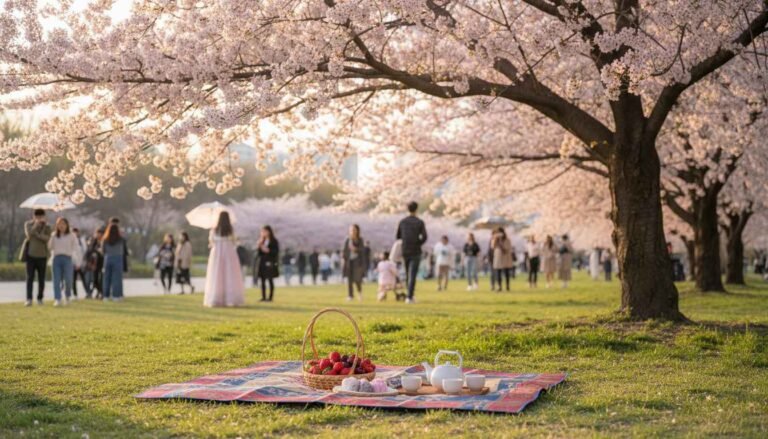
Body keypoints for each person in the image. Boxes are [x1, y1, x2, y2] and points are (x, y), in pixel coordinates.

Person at [203, 211, 245, 307]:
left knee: (217, 273)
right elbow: (234, 241)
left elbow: (211, 241)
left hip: (217, 252)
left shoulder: (214, 229)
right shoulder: (231, 229)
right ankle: (231, 298)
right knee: (230, 274)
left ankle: (216, 298)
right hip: (229, 251)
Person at [396, 201, 428, 304]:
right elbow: (425, 237)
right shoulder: (419, 222)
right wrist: (418, 242)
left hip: (405, 250)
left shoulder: (402, 222)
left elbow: (397, 236)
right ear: (416, 209)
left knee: (407, 273)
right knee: (413, 274)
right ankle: (410, 296)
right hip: (415, 251)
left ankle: (409, 295)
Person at [21, 209, 51, 306]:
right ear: (33, 216)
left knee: (41, 279)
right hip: (30, 255)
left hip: (42, 256)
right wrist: (36, 226)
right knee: (30, 278)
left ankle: (40, 298)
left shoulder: (47, 227)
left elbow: (46, 239)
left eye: (41, 217)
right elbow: (29, 235)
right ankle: (29, 298)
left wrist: (39, 233)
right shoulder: (28, 224)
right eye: (37, 217)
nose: (39, 219)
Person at [48, 217, 79, 307]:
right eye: (59, 224)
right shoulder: (54, 235)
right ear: (57, 225)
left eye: (63, 224)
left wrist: (77, 261)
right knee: (56, 280)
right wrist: (51, 238)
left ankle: (67, 296)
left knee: (68, 279)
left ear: (67, 225)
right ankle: (58, 299)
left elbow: (75, 247)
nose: (61, 226)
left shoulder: (72, 235)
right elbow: (50, 247)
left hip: (67, 259)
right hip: (56, 259)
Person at [101, 223, 127, 301]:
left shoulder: (105, 239)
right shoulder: (121, 239)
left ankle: (106, 296)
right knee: (117, 278)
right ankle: (116, 296)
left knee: (106, 278)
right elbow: (124, 249)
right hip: (118, 258)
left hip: (108, 258)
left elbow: (103, 250)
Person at [343, 224, 367, 301]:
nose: (352, 231)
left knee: (357, 279)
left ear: (357, 231)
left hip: (358, 262)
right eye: (351, 230)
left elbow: (362, 250)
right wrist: (344, 258)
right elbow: (344, 251)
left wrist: (355, 249)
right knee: (349, 279)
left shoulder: (360, 240)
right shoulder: (347, 240)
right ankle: (350, 295)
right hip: (349, 262)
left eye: (354, 230)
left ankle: (359, 293)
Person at [256, 225, 279, 302]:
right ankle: (263, 297)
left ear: (269, 231)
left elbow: (275, 252)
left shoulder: (274, 241)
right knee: (262, 280)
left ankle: (270, 297)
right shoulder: (262, 241)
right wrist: (259, 247)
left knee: (270, 279)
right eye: (262, 231)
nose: (263, 233)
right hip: (262, 262)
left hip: (270, 262)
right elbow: (259, 253)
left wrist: (268, 250)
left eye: (264, 231)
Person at [491, 228, 515, 292]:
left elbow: (507, 250)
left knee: (506, 272)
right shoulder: (495, 240)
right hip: (498, 257)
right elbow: (492, 247)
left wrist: (501, 244)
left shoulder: (507, 240)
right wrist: (496, 240)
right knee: (498, 273)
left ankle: (507, 286)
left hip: (505, 258)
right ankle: (499, 286)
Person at [84, 228, 105, 299]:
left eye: (100, 234)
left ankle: (101, 293)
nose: (99, 235)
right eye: (98, 233)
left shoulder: (105, 241)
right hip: (94, 264)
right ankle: (100, 291)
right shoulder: (93, 242)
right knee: (95, 280)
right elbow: (88, 252)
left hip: (102, 263)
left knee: (101, 280)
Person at [70, 227, 88, 299]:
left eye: (76, 232)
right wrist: (74, 263)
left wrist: (81, 263)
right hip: (73, 264)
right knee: (73, 280)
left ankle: (87, 292)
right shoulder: (70, 241)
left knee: (84, 279)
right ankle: (75, 294)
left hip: (81, 264)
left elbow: (85, 252)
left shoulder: (81, 240)